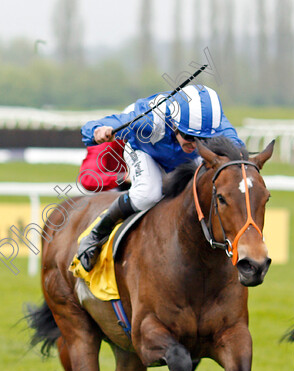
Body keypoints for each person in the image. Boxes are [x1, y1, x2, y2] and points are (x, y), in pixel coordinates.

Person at [75, 84, 245, 272]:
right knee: (148, 194)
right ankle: (96, 235)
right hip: (144, 152)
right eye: (189, 136)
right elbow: (91, 128)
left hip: (182, 160)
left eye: (202, 139)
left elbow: (238, 151)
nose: (195, 144)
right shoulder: (147, 120)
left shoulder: (216, 124)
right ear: (174, 124)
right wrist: (99, 130)